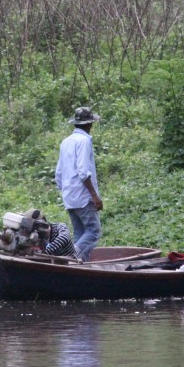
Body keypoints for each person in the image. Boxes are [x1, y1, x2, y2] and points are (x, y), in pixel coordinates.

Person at [55, 106, 103, 262]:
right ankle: (72, 256)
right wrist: (94, 196)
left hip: (69, 197)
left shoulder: (66, 142)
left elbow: (59, 174)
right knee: (94, 232)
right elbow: (83, 172)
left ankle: (80, 267)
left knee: (80, 234)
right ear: (89, 124)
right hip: (83, 197)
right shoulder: (84, 141)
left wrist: (68, 191)